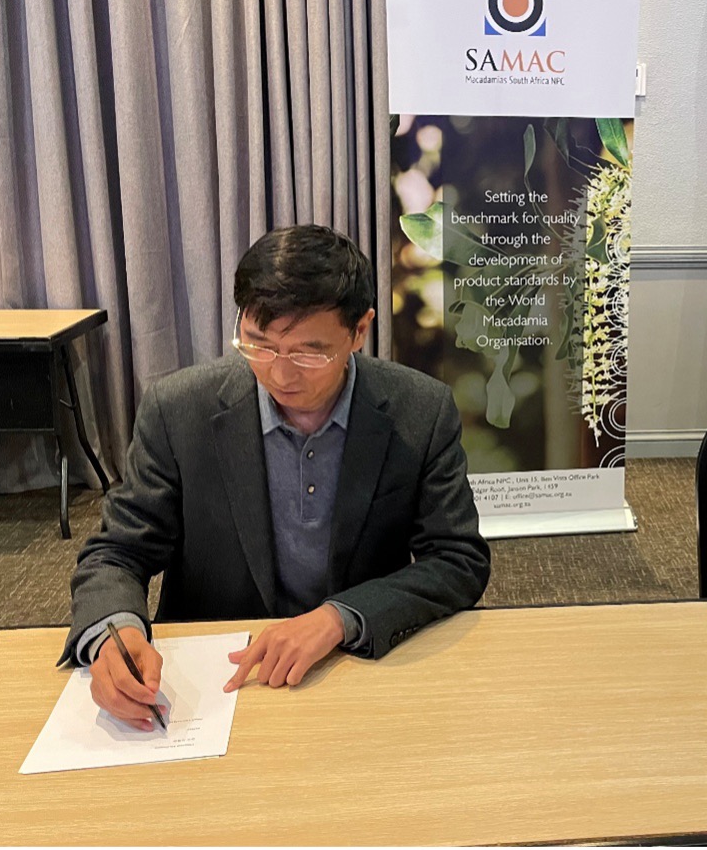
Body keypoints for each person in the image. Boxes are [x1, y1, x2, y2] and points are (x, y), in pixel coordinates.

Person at [62, 225, 491, 729]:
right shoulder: (179, 410)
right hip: (217, 680)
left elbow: (457, 559)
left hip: (355, 668)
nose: (280, 374)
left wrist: (340, 617)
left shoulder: (420, 411)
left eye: (309, 353)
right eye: (258, 345)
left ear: (360, 331)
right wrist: (115, 633)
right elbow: (117, 552)